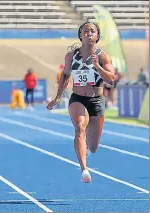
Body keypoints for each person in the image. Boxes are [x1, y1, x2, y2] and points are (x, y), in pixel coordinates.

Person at [47, 22, 115, 183]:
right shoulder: (71, 56)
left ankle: (87, 150)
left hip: (96, 100)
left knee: (93, 146)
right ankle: (84, 169)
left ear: (97, 36)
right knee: (79, 128)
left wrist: (97, 65)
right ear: (80, 35)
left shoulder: (102, 56)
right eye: (85, 31)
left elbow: (111, 79)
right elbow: (65, 76)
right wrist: (58, 97)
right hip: (78, 98)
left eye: (92, 31)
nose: (89, 33)